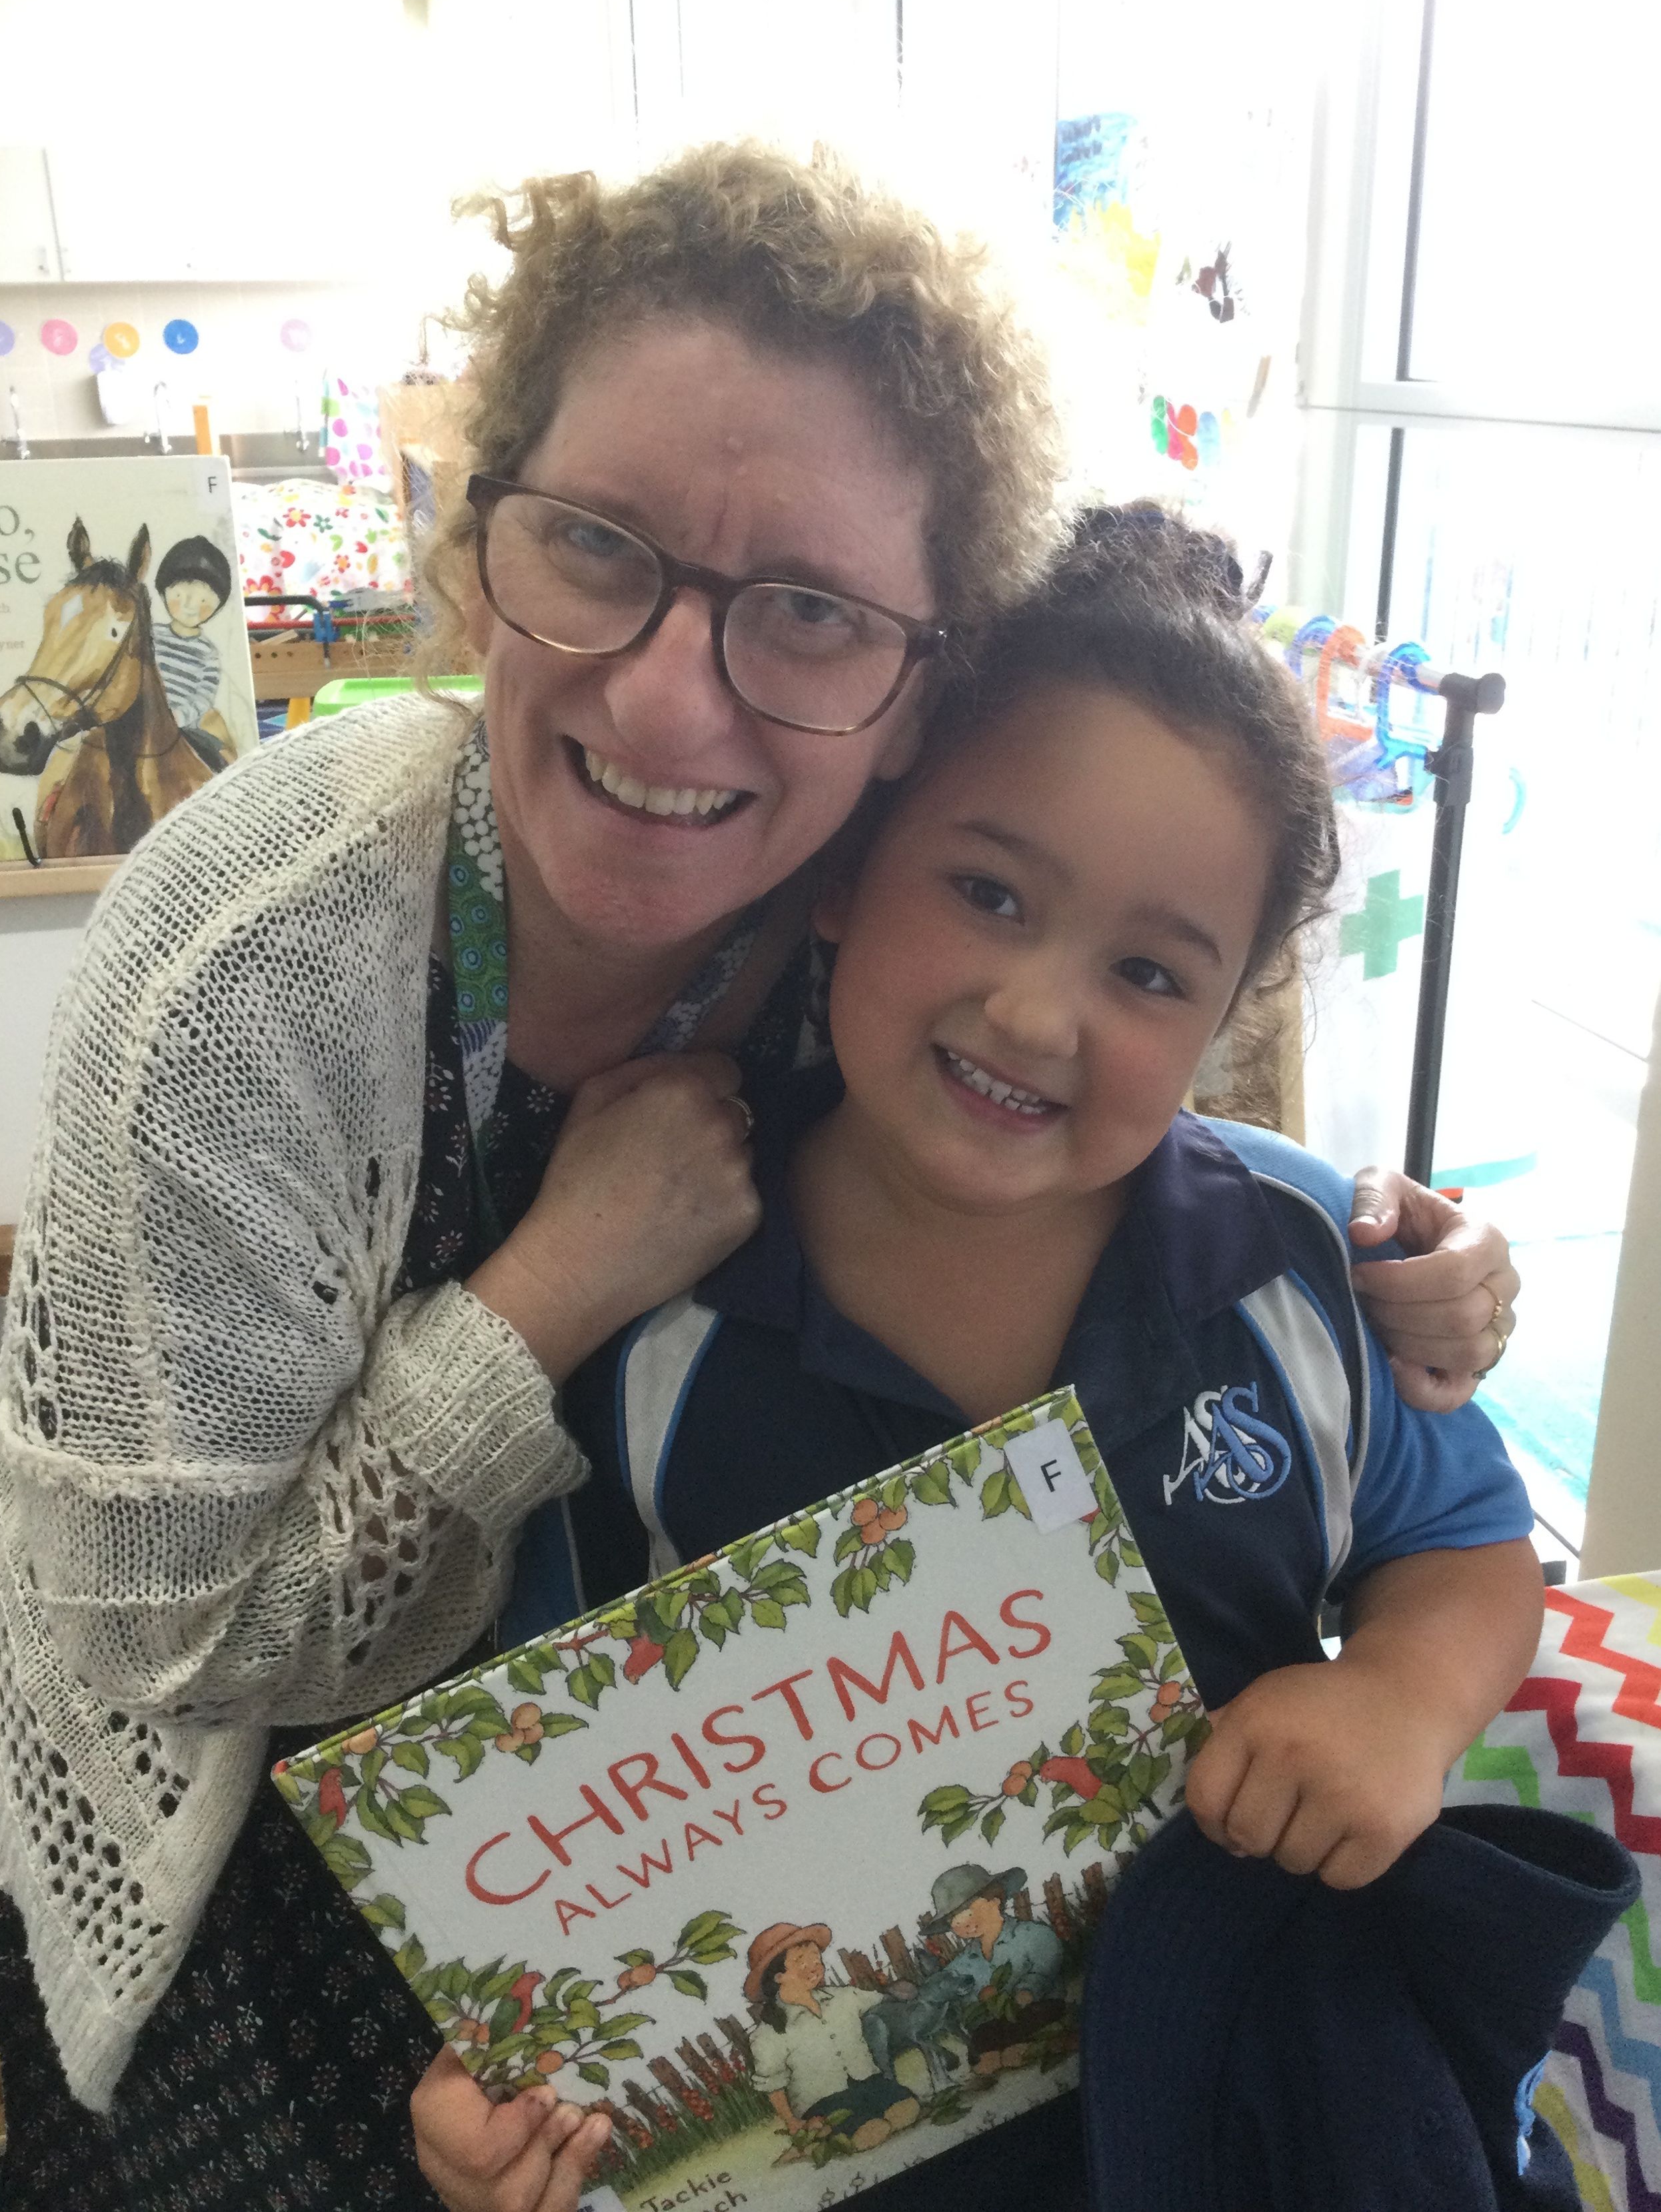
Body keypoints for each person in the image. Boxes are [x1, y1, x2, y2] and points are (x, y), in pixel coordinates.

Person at [0, 143, 1514, 2212]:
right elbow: (173, 1646)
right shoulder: (250, 969)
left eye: (804, 609)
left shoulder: (890, 933)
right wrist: (558, 1286)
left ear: (912, 695)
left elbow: (1176, 1155)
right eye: (596, 543)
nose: (667, 690)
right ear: (480, 539)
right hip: (248, 1846)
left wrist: (1399, 1255)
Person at [425, 507, 1542, 2210]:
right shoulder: (654, 1315)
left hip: (1260, 2094)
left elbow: (1459, 1540)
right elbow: (555, 1778)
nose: (1034, 1012)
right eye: (986, 891)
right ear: (845, 878)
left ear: (1227, 1014)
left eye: (1148, 970)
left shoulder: (1306, 1264)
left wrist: (1398, 1695)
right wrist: (518, 2094)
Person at [744, 1921, 922, 2156]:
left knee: (907, 2110)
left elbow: (880, 1999)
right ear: (778, 1976)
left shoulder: (842, 1997)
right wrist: (793, 2123)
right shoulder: (769, 2033)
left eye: (815, 1957)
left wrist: (899, 1992)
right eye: (801, 1960)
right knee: (869, 2132)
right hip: (825, 2103)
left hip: (870, 2083)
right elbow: (773, 2084)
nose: (814, 1965)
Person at [911, 1862, 1067, 2078]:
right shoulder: (963, 1964)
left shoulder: (1031, 1934)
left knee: (1031, 2021)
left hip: (1038, 2007)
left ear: (995, 1900)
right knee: (983, 2041)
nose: (966, 1924)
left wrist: (1027, 1991)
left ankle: (1034, 2046)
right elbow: (958, 1994)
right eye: (955, 1921)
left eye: (970, 1912)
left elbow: (1046, 1963)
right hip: (996, 2022)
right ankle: (998, 2056)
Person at [150, 533, 235, 770]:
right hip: (141, 718)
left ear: (217, 606)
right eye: (180, 595)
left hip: (184, 726)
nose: (190, 607)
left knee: (216, 759)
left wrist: (178, 717)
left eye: (204, 601)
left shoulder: (208, 654)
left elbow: (204, 697)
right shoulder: (149, 636)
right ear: (164, 592)